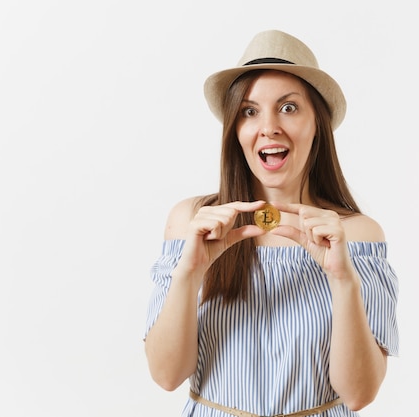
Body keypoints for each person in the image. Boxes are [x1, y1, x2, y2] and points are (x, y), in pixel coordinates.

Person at [143, 29, 399, 417]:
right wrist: (190, 272)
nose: (269, 127)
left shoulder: (358, 235)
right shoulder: (191, 222)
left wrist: (343, 280)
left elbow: (360, 393)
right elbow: (166, 375)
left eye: (289, 108)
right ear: (236, 131)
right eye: (249, 111)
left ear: (319, 124)